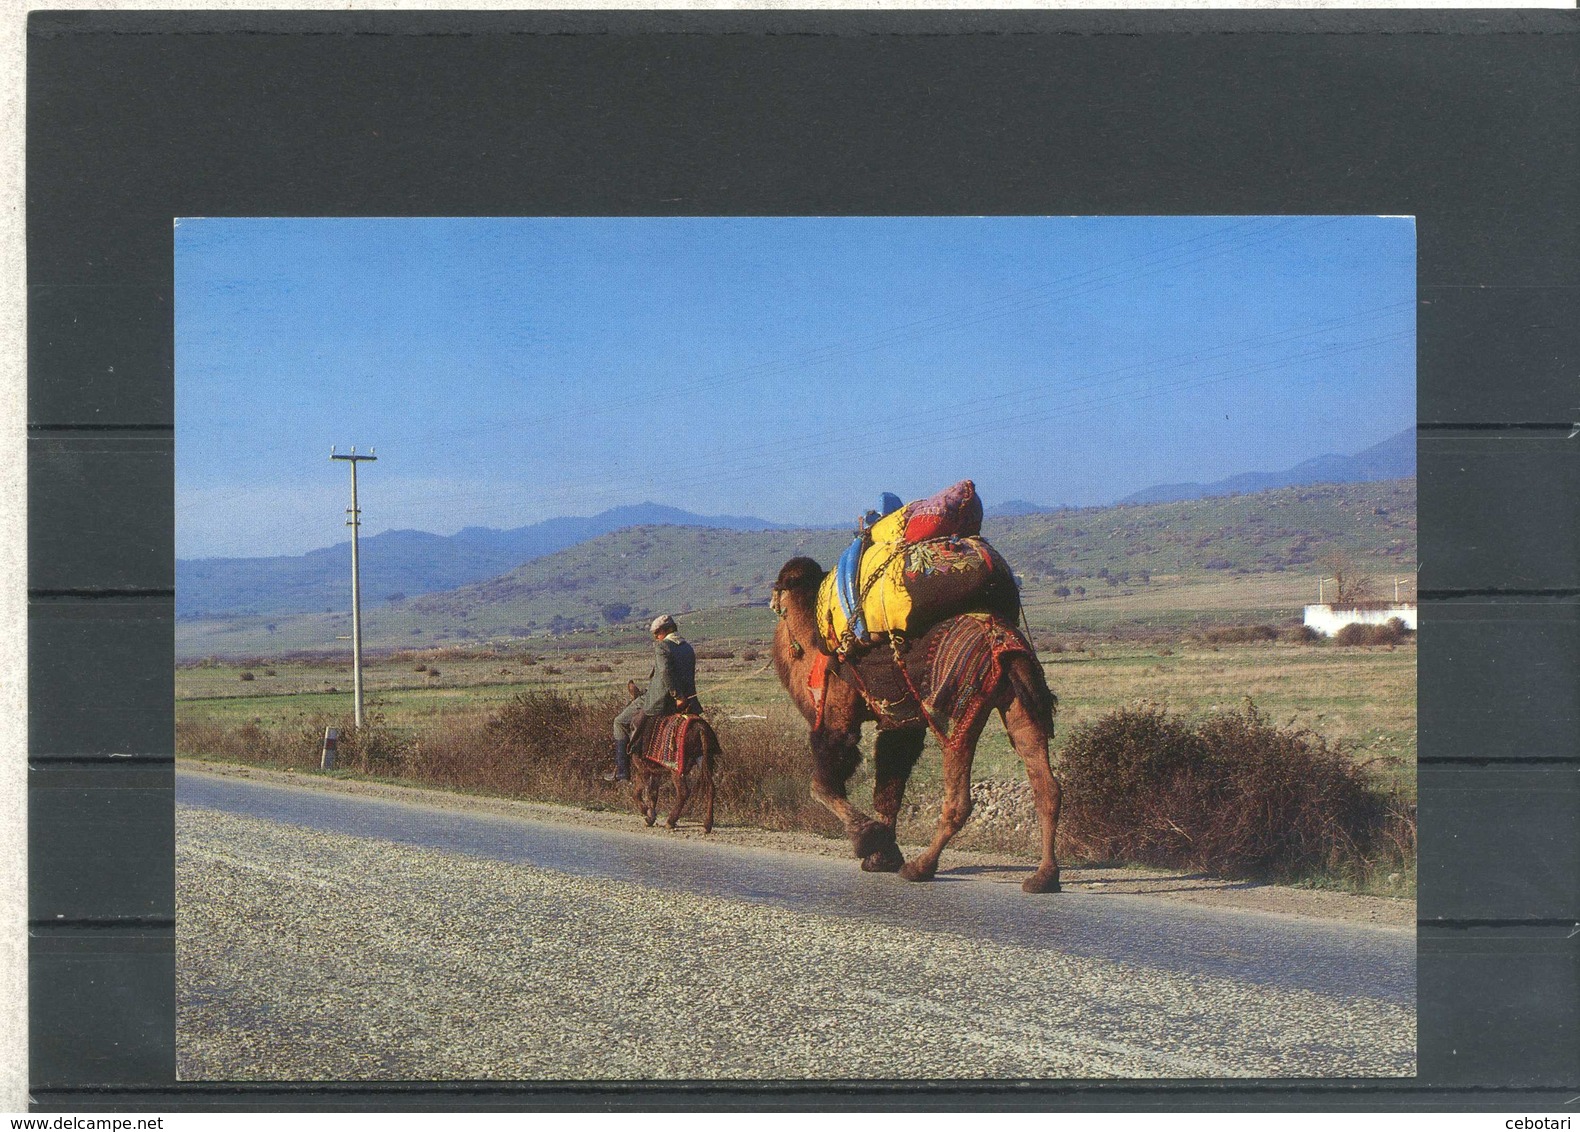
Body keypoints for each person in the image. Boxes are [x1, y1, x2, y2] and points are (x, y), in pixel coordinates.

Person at [606, 614, 700, 783]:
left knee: (619, 722)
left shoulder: (663, 647)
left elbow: (665, 673)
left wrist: (677, 696)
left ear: (669, 629)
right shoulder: (688, 647)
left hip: (660, 700)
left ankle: (622, 772)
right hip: (690, 701)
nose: (656, 636)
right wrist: (683, 697)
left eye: (658, 632)